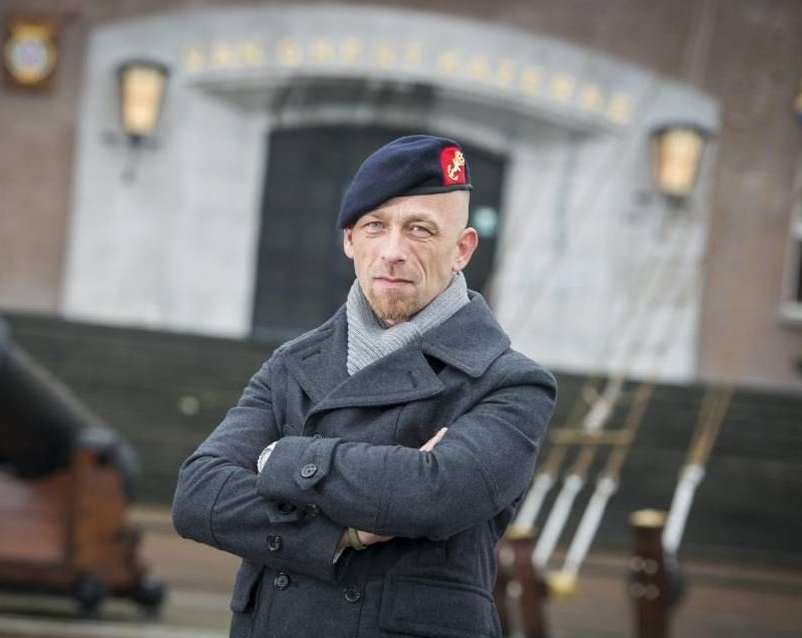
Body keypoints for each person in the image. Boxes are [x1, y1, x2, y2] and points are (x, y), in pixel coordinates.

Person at [172, 134, 557, 638]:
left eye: (420, 229)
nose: (393, 252)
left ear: (462, 248)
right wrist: (342, 534)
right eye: (376, 226)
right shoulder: (293, 364)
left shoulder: (509, 382)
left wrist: (278, 459)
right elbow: (198, 494)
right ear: (350, 239)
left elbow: (433, 494)